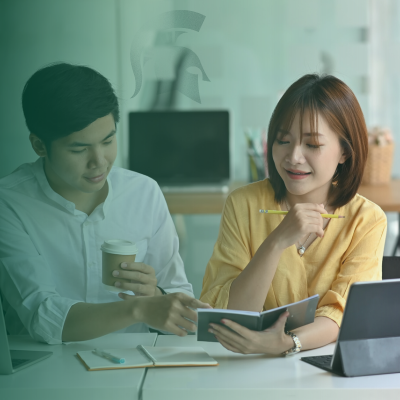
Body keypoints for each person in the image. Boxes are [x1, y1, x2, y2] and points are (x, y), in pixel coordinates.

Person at [0, 62, 210, 344]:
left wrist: (156, 296)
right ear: (39, 145)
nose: (99, 162)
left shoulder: (143, 193)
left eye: (108, 140)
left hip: (135, 365)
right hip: (44, 372)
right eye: (79, 149)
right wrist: (138, 309)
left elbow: (180, 303)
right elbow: (43, 316)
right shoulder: (10, 203)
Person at [200, 74, 387, 355]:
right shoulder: (243, 204)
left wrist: (288, 342)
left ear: (344, 153)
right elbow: (230, 315)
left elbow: (343, 313)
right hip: (243, 367)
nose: (293, 157)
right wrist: (276, 242)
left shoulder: (367, 219)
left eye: (312, 145)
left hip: (326, 371)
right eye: (283, 140)